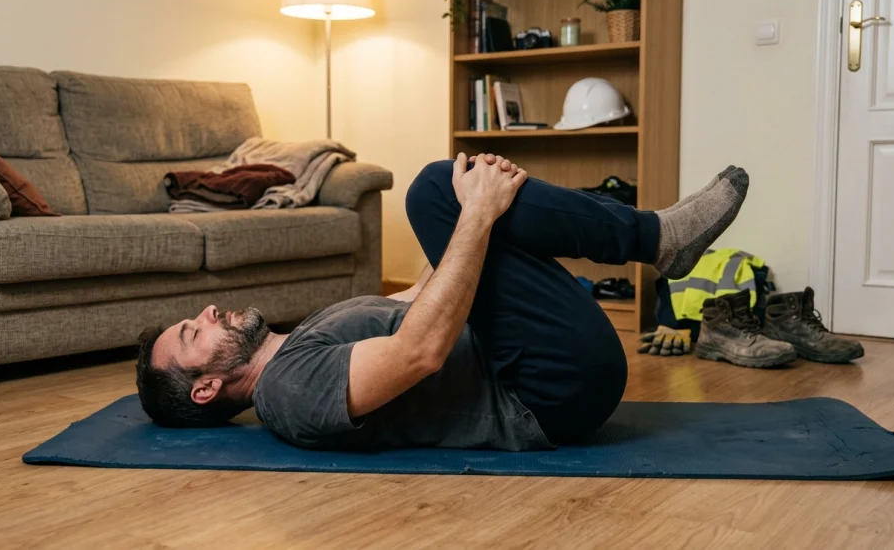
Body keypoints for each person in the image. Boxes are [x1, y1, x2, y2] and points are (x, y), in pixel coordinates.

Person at [136, 153, 749, 450]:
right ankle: (655, 238)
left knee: (444, 192)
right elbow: (421, 351)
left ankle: (655, 238)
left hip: (532, 364)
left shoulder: (296, 346)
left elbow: (422, 296)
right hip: (545, 393)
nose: (208, 314)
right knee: (437, 190)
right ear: (206, 389)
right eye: (195, 334)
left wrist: (474, 208)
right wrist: (476, 212)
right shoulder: (287, 389)